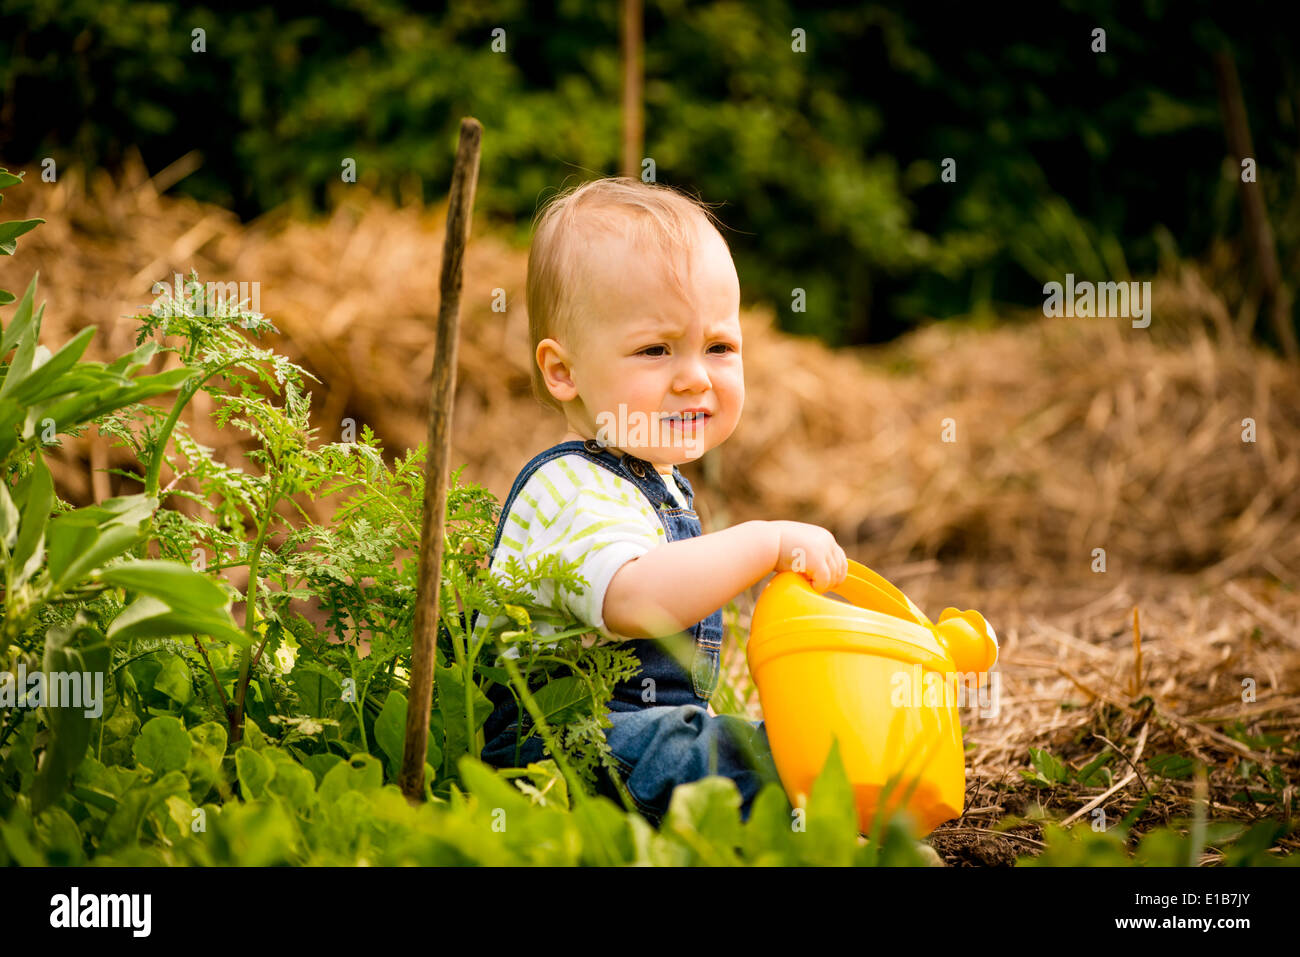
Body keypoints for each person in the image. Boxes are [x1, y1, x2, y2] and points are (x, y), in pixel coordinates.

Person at [471, 176, 848, 826]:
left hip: (639, 737)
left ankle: (817, 823)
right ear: (562, 371)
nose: (695, 376)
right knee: (739, 757)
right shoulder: (572, 487)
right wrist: (762, 541)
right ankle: (817, 830)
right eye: (655, 349)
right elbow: (638, 598)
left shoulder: (658, 482)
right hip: (562, 748)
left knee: (759, 744)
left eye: (719, 347)